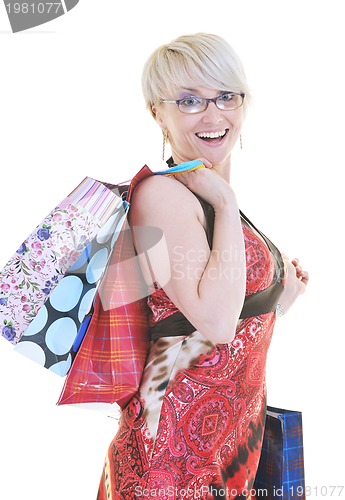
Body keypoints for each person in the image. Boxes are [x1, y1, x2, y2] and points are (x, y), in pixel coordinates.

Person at [97, 32, 309, 500]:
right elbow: (216, 323)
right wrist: (227, 201)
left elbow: (202, 324)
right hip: (170, 457)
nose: (213, 116)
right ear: (158, 111)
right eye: (190, 101)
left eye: (226, 97)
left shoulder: (204, 194)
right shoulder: (163, 196)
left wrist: (277, 304)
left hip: (227, 445)